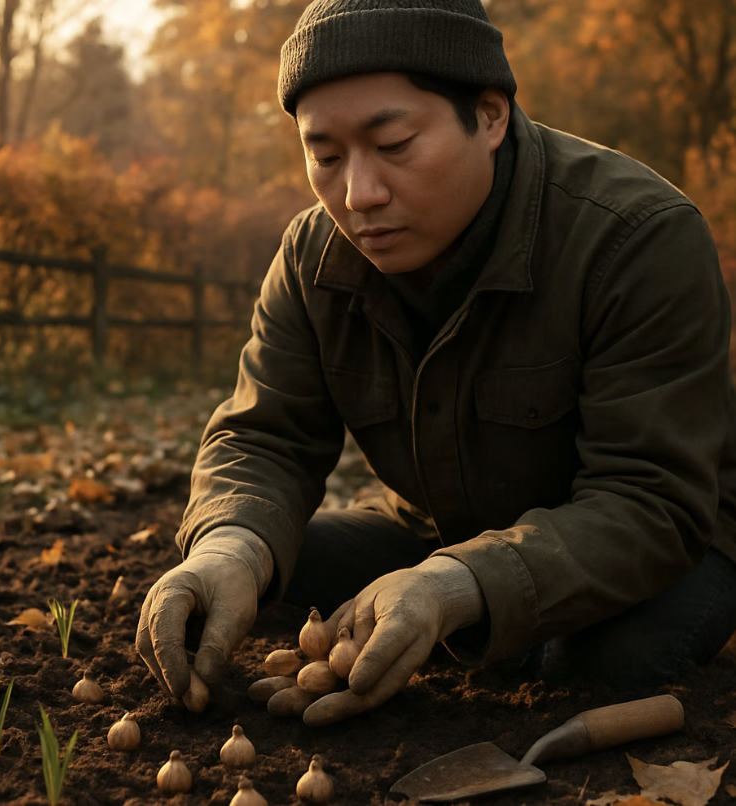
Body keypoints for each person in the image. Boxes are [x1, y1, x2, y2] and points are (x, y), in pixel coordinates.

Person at [136, 0, 736, 726]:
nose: (359, 195)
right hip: (435, 530)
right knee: (251, 579)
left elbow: (650, 501)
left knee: (604, 666)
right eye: (324, 157)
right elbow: (264, 437)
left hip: (667, 536)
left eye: (394, 145)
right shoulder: (311, 256)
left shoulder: (637, 239)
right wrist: (231, 547)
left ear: (489, 116)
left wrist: (457, 587)